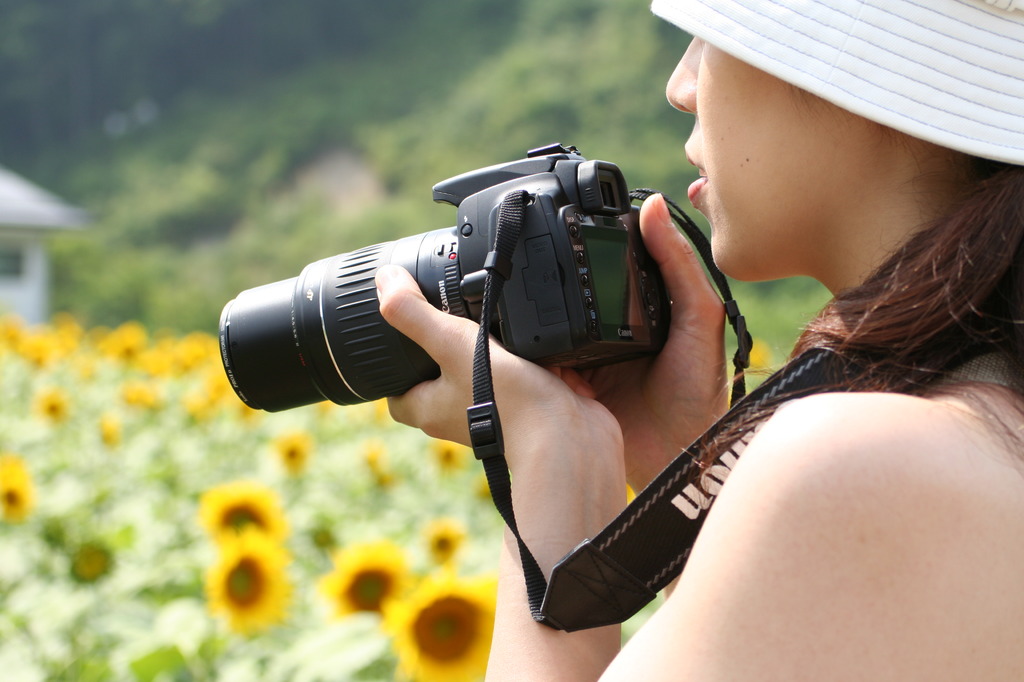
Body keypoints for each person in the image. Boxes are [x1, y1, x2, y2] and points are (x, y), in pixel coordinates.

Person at [375, 0, 1024, 678]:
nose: (681, 86)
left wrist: (552, 464)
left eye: (710, 36)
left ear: (860, 73)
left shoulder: (858, 471)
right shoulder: (981, 435)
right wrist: (683, 461)